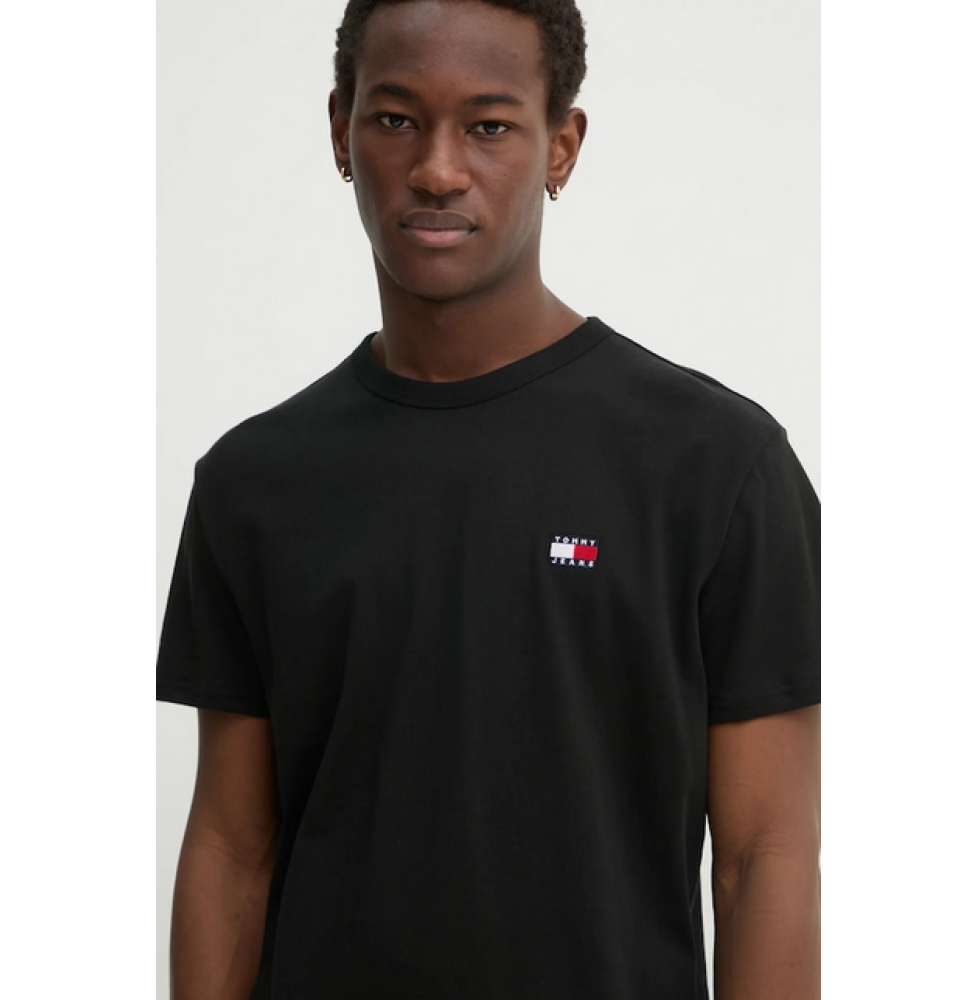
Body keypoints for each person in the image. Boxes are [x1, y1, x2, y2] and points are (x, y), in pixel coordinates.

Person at [157, 0, 820, 997]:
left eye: (488, 125)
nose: (436, 169)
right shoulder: (251, 482)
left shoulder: (715, 464)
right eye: (394, 119)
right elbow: (229, 847)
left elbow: (765, 855)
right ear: (339, 131)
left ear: (560, 146)